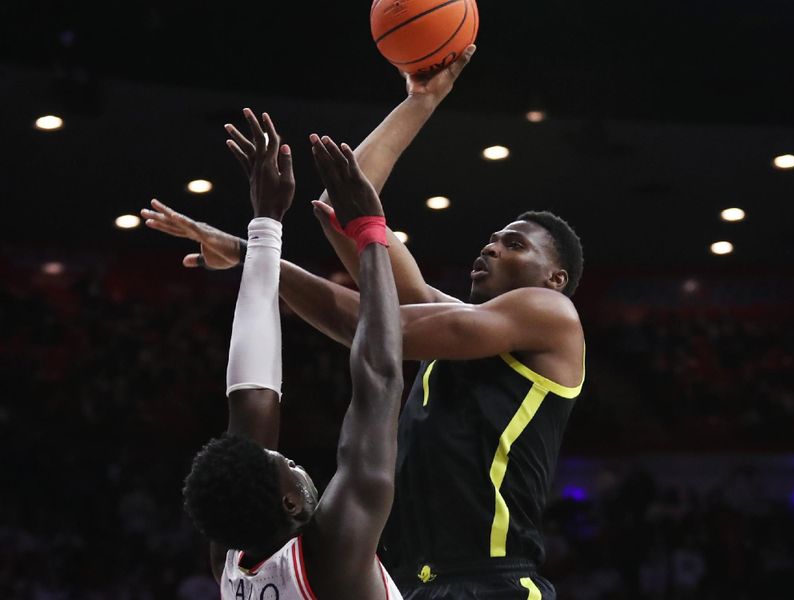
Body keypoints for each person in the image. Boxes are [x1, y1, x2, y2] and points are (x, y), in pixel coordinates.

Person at [145, 46, 585, 598]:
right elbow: (339, 212)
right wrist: (420, 101)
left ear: (556, 278)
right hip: (415, 581)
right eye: (492, 238)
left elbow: (374, 328)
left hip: (491, 581)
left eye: (514, 244)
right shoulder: (445, 320)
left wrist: (256, 255)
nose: (492, 247)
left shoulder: (550, 315)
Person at [179, 107, 405, 599]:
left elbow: (251, 388)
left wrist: (265, 226)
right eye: (289, 466)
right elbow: (380, 380)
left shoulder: (234, 558)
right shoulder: (332, 557)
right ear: (290, 502)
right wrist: (370, 232)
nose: (296, 462)